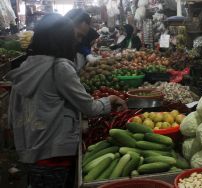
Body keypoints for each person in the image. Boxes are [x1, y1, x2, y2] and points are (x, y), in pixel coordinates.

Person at [5, 14, 127, 188]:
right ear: (62, 38)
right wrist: (111, 99)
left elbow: (12, 115)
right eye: (73, 37)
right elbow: (89, 107)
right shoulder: (60, 67)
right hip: (54, 153)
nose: (75, 42)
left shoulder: (26, 66)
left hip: (31, 150)